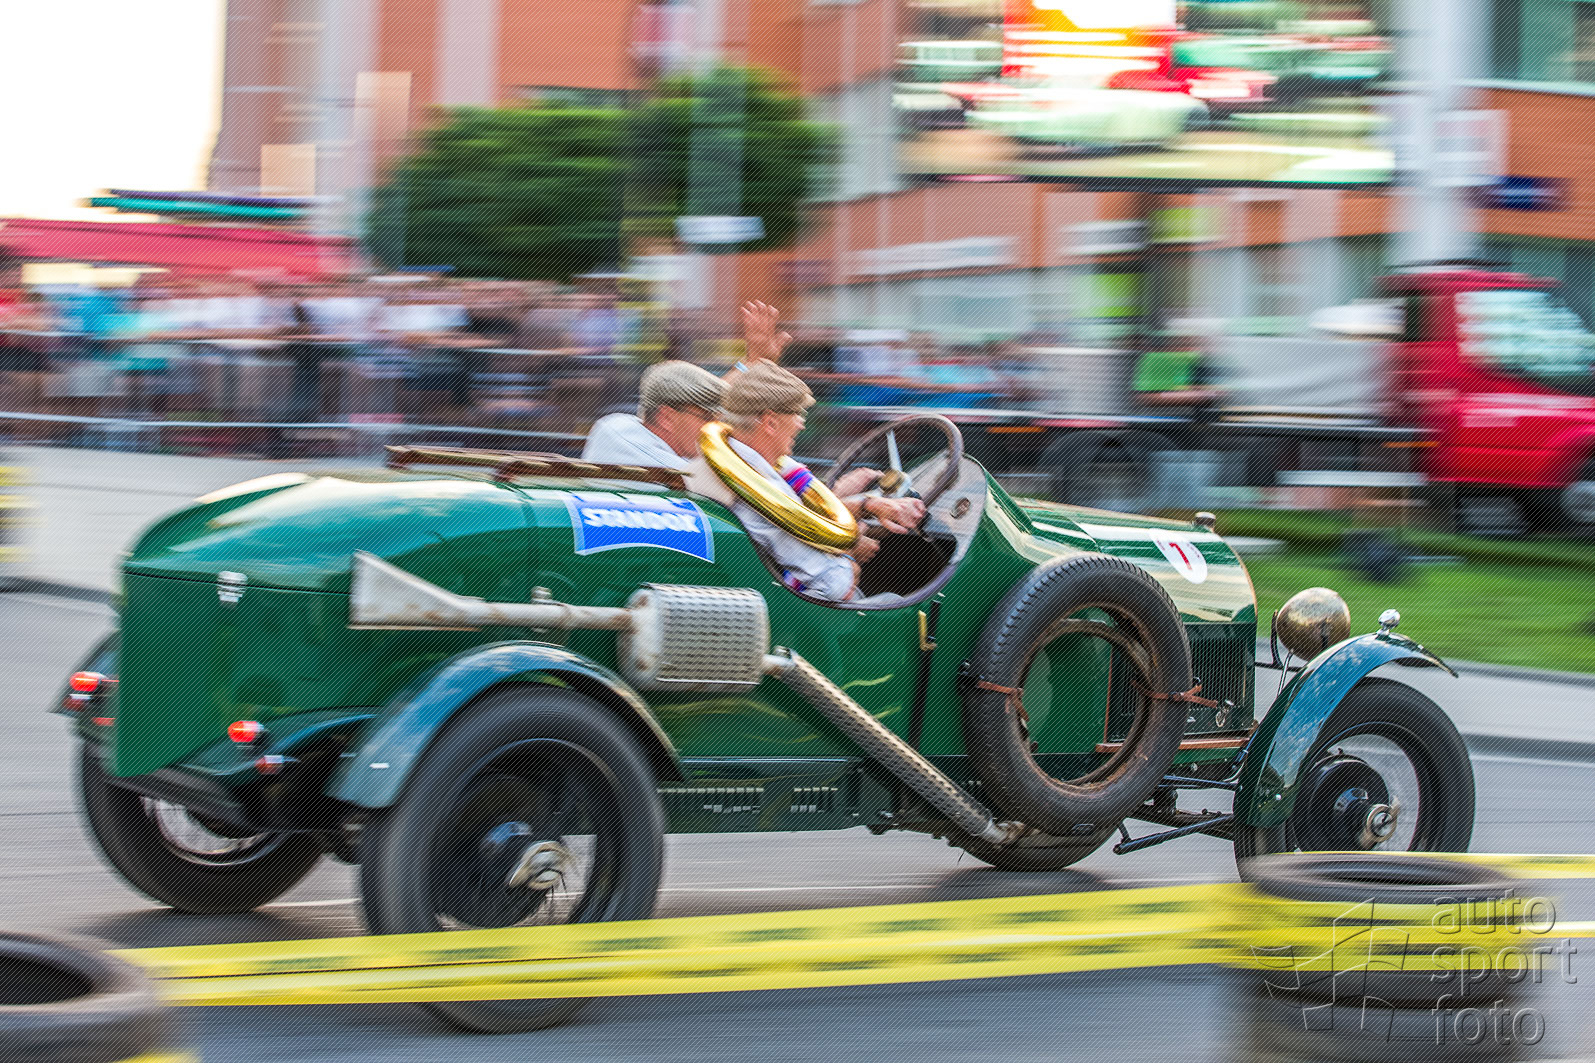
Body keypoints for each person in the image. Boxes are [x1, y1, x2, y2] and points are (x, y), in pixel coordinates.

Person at [715, 360, 925, 602]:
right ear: (770, 422)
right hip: (794, 608)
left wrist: (866, 505)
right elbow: (834, 585)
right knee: (893, 601)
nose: (801, 424)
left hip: (768, 592)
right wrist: (850, 552)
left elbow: (806, 518)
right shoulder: (762, 491)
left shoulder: (735, 460)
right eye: (797, 414)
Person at [582, 359, 726, 470]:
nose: (718, 426)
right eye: (708, 417)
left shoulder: (623, 429)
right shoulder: (624, 440)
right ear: (667, 418)